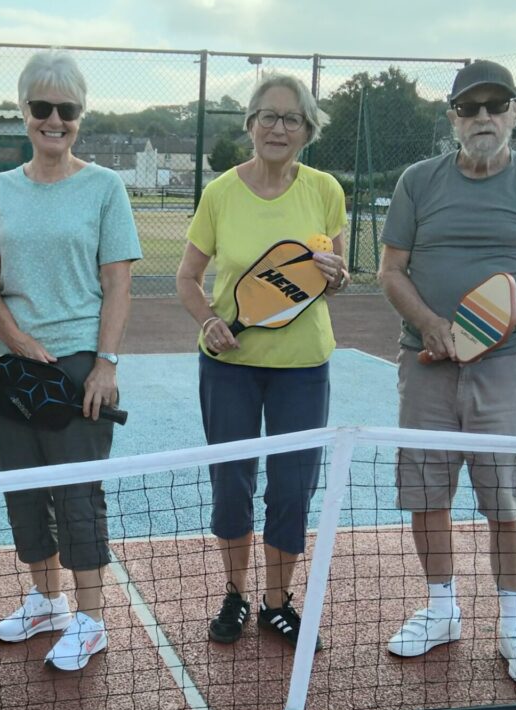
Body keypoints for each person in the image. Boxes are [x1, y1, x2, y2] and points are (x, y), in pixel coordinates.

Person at [378, 60, 516, 688]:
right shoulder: (417, 182)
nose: (482, 117)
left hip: (507, 368)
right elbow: (391, 271)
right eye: (469, 108)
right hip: (425, 364)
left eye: (496, 105)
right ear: (453, 118)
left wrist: (502, 324)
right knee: (427, 497)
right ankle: (442, 610)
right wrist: (435, 327)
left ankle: (515, 627)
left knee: (506, 505)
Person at [0, 50, 142, 672]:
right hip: (9, 369)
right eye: (41, 107)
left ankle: (91, 619)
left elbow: (118, 284)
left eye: (66, 110)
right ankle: (47, 601)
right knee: (24, 495)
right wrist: (13, 339)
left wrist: (106, 363)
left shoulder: (104, 187)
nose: (54, 119)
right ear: (23, 112)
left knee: (77, 494)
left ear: (79, 116)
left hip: (75, 371)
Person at [176, 74, 348, 651]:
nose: (278, 128)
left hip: (303, 367)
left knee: (293, 488)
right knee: (232, 485)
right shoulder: (221, 192)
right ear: (249, 124)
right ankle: (235, 593)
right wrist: (208, 321)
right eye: (267, 117)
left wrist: (339, 276)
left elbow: (333, 275)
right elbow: (187, 277)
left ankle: (278, 603)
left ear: (307, 129)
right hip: (229, 366)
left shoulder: (325, 190)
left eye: (291, 118)